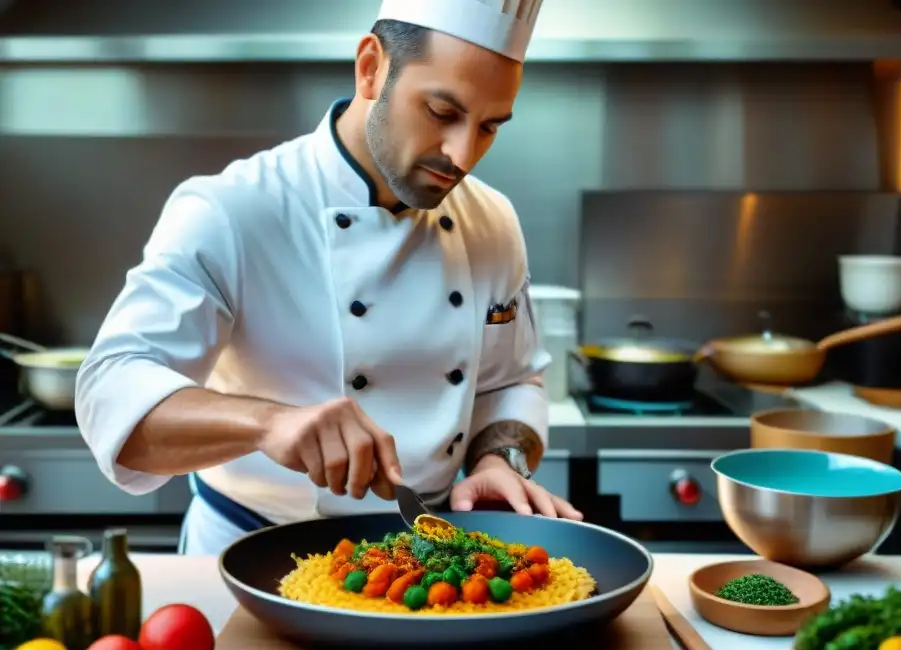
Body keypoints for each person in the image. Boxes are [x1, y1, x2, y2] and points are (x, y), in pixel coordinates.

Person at [75, 0, 582, 556]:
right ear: (370, 68)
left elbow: (511, 382)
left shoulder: (493, 222)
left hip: (427, 561)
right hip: (253, 561)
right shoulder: (233, 208)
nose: (463, 155)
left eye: (489, 127)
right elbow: (111, 394)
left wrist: (499, 460)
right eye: (441, 112)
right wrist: (266, 423)